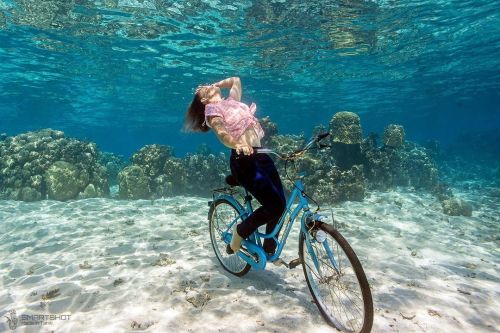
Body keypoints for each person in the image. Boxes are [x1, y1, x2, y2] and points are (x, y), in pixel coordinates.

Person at [184, 77, 286, 256]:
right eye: (204, 88)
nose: (208, 85)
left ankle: (269, 249)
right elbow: (221, 132)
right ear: (203, 100)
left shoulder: (232, 102)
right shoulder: (212, 110)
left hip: (261, 155)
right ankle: (240, 232)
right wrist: (236, 143)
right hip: (243, 161)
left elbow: (236, 81)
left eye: (208, 84)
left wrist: (217, 85)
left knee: (281, 205)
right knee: (275, 206)